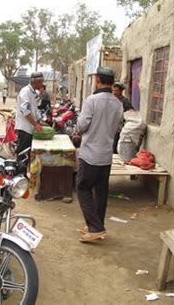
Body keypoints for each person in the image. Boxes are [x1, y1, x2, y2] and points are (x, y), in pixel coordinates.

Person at [76, 67, 123, 243]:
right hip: (106, 154)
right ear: (111, 82)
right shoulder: (118, 103)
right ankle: (96, 225)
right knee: (101, 192)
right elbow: (118, 127)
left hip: (90, 154)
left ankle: (95, 227)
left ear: (97, 80)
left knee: (82, 188)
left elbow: (81, 126)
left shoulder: (92, 101)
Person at [15, 72, 44, 167]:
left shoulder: (32, 92)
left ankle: (23, 175)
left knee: (26, 156)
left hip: (29, 128)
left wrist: (39, 121)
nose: (42, 84)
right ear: (37, 82)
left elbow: (34, 110)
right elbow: (25, 110)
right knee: (22, 156)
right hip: (24, 129)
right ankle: (19, 177)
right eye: (41, 82)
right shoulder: (25, 91)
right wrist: (35, 124)